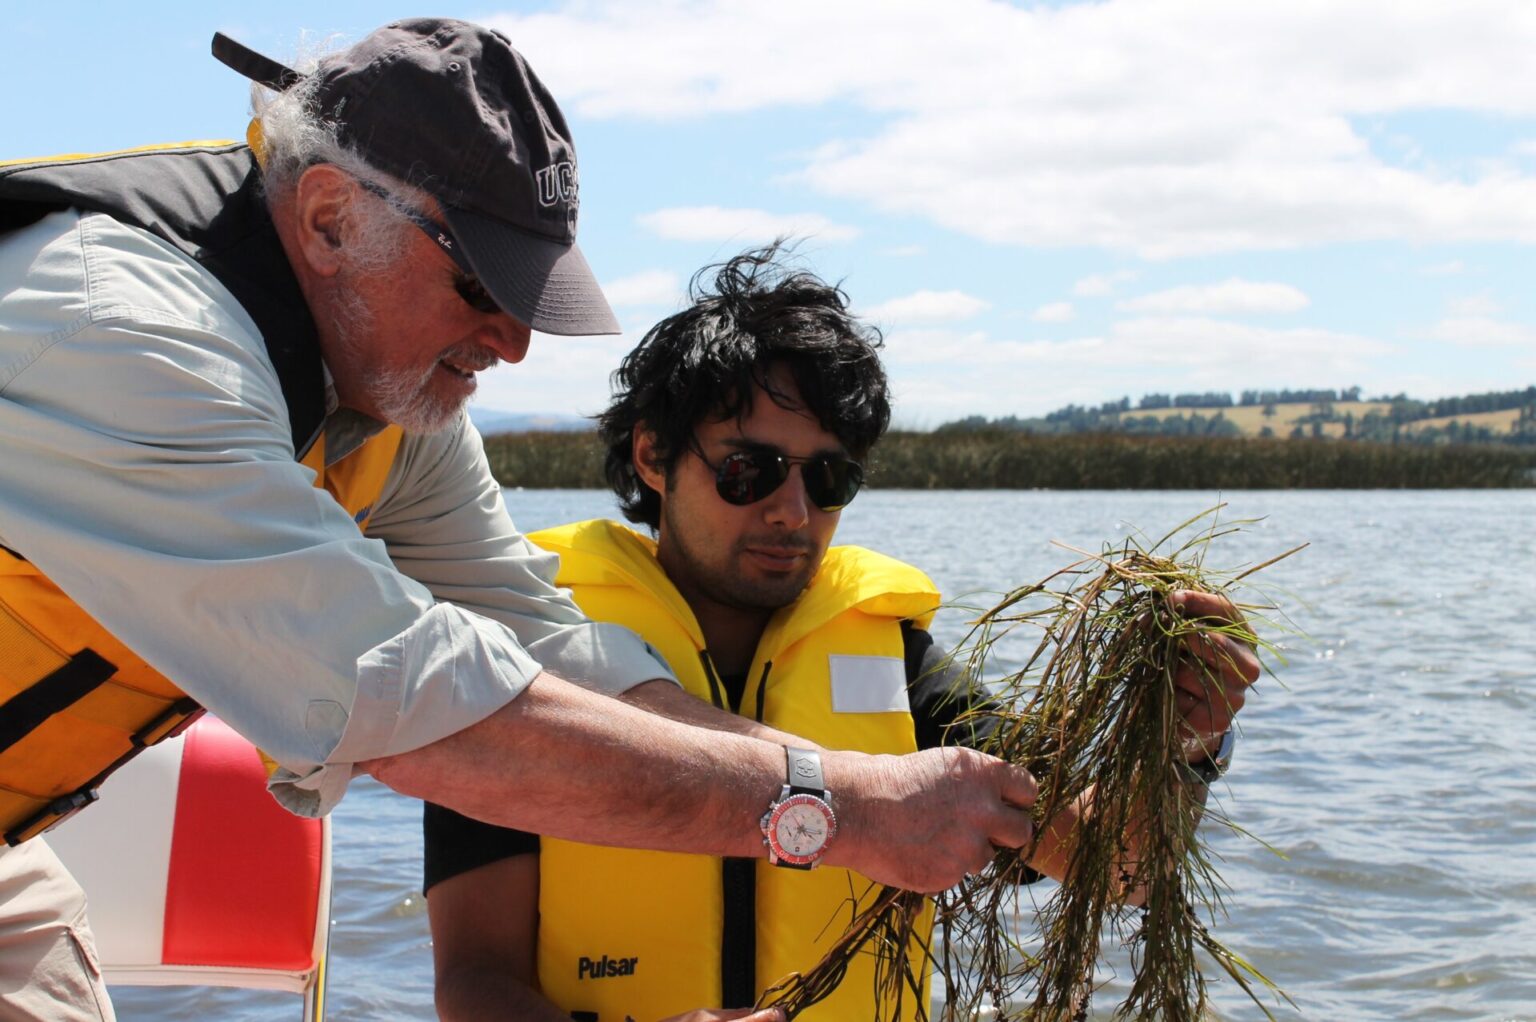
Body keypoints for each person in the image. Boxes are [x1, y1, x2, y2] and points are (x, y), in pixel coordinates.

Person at [0, 24, 1039, 1022]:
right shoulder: (122, 337)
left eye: (531, 295)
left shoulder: (395, 402)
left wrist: (860, 786)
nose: (514, 342)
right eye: (479, 283)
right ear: (327, 220)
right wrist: (845, 810)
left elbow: (548, 645)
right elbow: (409, 700)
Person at [422, 247, 1258, 1021]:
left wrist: (1185, 742)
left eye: (829, 478)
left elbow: (1119, 868)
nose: (793, 512)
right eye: (748, 471)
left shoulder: (897, 663)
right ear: (652, 456)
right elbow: (473, 978)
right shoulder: (529, 654)